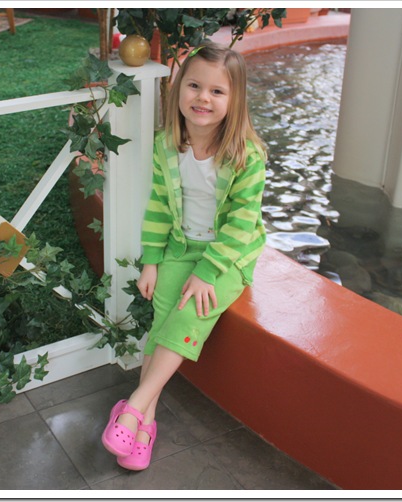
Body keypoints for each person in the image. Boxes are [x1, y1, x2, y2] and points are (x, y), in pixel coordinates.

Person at [101, 40, 267, 471]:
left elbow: (241, 225)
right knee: (162, 320)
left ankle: (134, 407)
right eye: (194, 86)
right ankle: (146, 423)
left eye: (217, 91)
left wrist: (208, 272)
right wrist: (152, 261)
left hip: (227, 258)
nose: (203, 98)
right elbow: (159, 206)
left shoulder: (247, 157)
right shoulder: (167, 145)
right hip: (180, 246)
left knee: (191, 311)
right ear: (178, 89)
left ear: (234, 100)